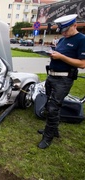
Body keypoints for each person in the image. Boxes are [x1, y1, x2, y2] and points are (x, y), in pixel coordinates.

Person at [38, 14, 85, 149]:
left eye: (66, 30)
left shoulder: (81, 40)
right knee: (49, 105)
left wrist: (61, 57)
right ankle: (54, 130)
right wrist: (53, 54)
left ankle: (48, 137)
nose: (63, 33)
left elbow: (82, 64)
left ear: (75, 25)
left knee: (53, 108)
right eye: (62, 31)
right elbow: (60, 55)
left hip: (63, 79)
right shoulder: (64, 39)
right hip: (52, 76)